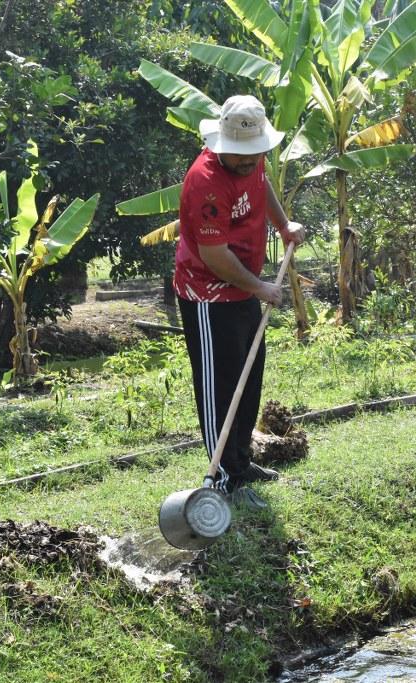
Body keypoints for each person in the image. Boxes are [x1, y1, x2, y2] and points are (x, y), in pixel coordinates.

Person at [174, 94, 305, 501]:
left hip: (243, 286)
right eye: (242, 156)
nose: (251, 161)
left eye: (256, 154)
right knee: (221, 387)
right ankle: (222, 478)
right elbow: (214, 256)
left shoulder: (251, 158)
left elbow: (261, 185)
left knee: (248, 379)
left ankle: (240, 462)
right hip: (207, 295)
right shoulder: (206, 183)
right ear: (223, 145)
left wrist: (283, 224)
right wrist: (260, 287)